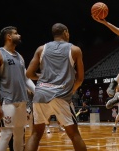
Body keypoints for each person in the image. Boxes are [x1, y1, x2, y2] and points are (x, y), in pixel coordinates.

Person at [25, 23, 87, 151]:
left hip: (41, 94)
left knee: (36, 134)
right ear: (66, 32)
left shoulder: (41, 49)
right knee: (74, 135)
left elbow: (29, 74)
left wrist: (44, 77)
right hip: (61, 95)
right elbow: (80, 78)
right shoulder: (75, 50)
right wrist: (73, 89)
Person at [0, 26, 35, 151]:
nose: (19, 35)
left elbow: (26, 79)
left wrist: (38, 92)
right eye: (16, 33)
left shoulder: (20, 57)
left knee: (19, 135)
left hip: (22, 101)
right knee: (6, 134)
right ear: (9, 37)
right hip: (7, 100)